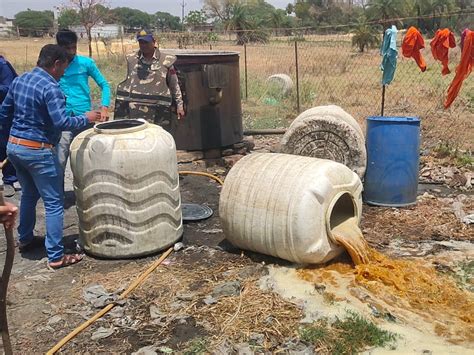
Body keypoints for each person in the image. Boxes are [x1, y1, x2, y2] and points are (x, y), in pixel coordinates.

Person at [0, 44, 104, 269]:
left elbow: (4, 113)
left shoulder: (20, 80)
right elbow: (62, 122)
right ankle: (56, 256)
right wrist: (86, 117)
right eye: (64, 67)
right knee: (54, 202)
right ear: (56, 64)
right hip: (37, 150)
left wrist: (16, 135)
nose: (65, 72)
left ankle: (25, 239)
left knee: (28, 194)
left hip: (15, 148)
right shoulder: (51, 87)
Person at [56, 29, 111, 172]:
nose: (72, 51)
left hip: (85, 117)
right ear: (59, 47)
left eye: (74, 47)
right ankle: (58, 194)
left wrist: (104, 106)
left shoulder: (86, 63)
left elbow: (104, 85)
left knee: (87, 158)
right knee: (60, 160)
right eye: (67, 48)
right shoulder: (54, 66)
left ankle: (85, 192)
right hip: (63, 119)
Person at [114, 29, 185, 124]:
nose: (143, 45)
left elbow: (174, 85)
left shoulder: (166, 61)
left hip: (159, 111)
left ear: (154, 42)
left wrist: (179, 105)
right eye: (141, 42)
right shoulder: (131, 60)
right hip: (134, 110)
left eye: (146, 42)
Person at [0, 55, 19, 197]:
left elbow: (9, 88)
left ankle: (9, 181)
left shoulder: (3, 65)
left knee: (4, 146)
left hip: (3, 113)